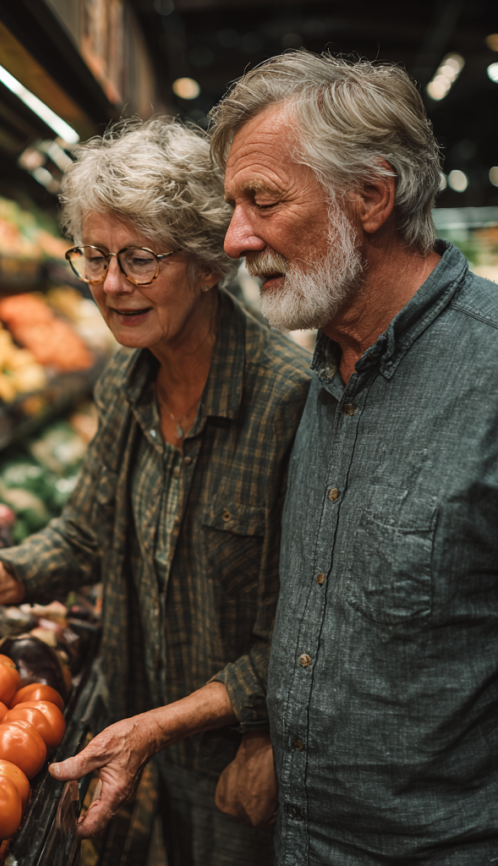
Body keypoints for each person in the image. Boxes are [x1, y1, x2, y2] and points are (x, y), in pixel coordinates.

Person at [0, 116, 310, 865]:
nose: (111, 286)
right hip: (142, 732)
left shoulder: (288, 404)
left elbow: (303, 640)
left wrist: (193, 728)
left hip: (244, 758)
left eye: (140, 259)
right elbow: (83, 535)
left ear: (208, 263)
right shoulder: (126, 379)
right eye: (96, 257)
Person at [211, 50, 498, 864]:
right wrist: (273, 735)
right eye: (234, 205)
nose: (235, 237)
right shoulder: (323, 362)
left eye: (262, 200)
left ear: (372, 196)